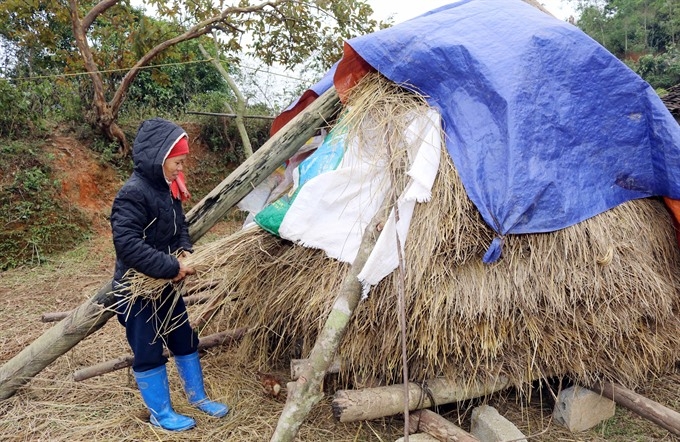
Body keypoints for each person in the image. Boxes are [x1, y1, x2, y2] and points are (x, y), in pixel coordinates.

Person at [110, 117, 229, 431]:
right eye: (177, 161)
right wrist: (171, 267)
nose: (180, 168)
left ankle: (198, 397)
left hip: (165, 286)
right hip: (137, 289)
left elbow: (180, 227)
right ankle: (161, 413)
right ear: (159, 158)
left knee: (184, 338)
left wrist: (185, 249)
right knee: (147, 348)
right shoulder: (132, 194)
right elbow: (127, 245)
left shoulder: (167, 189)